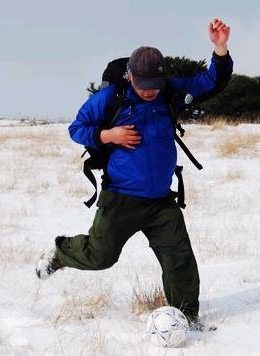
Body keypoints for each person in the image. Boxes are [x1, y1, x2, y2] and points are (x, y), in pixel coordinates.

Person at [36, 18, 233, 328]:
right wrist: (108, 135)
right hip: (121, 198)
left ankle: (186, 318)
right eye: (143, 85)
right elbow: (77, 128)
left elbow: (212, 82)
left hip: (160, 200)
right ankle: (60, 254)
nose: (150, 91)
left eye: (155, 85)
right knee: (100, 256)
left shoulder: (170, 92)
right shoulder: (111, 99)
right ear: (130, 76)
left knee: (179, 259)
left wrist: (220, 49)